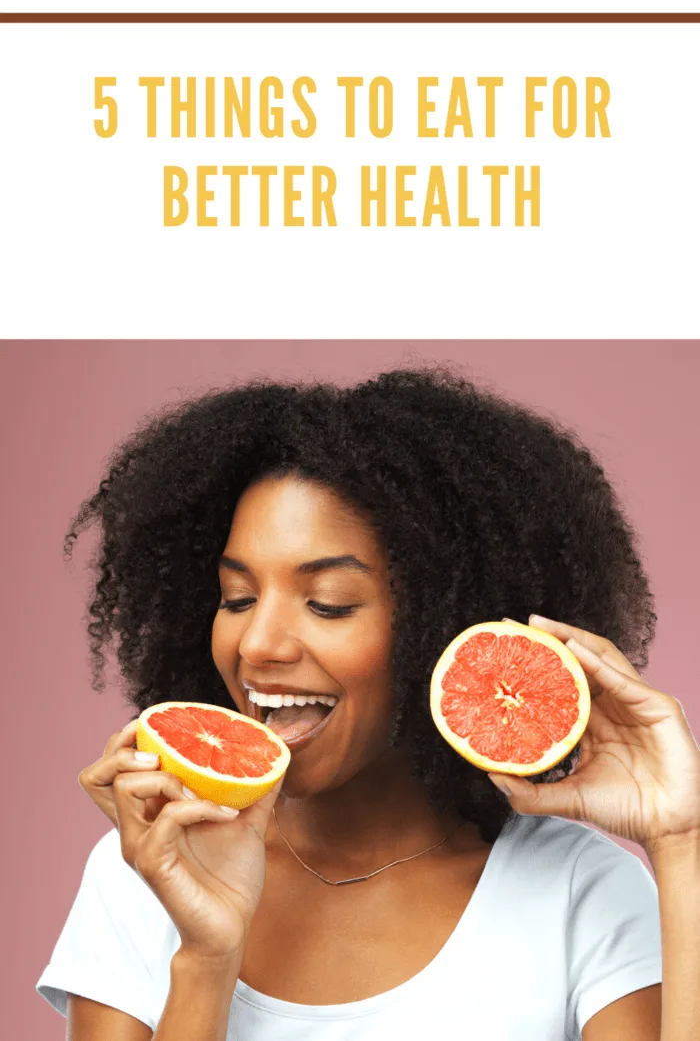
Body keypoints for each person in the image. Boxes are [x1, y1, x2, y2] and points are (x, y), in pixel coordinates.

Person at [36, 366, 700, 1041]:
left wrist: (680, 843)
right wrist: (208, 958)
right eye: (236, 598)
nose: (258, 644)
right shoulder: (145, 871)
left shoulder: (578, 892)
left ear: (439, 627)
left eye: (328, 603)